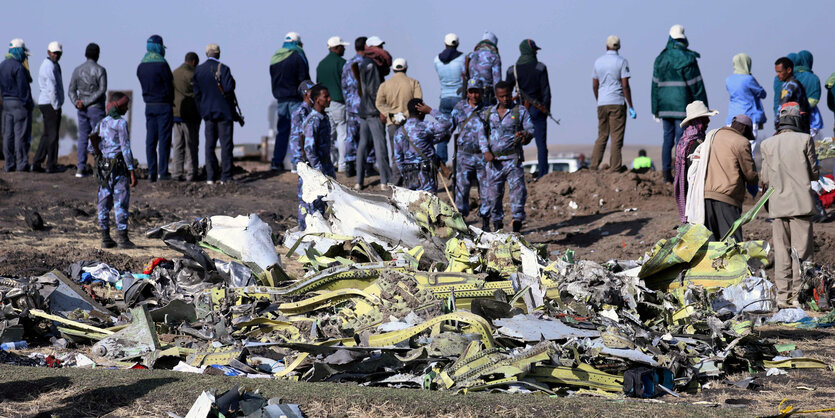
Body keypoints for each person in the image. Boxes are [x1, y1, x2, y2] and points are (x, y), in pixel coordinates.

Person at [760, 102, 819, 308]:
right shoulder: (805, 140)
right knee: (801, 253)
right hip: (800, 205)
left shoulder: (767, 144)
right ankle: (798, 296)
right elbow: (814, 173)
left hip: (778, 207)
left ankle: (782, 296)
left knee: (782, 252)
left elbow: (764, 178)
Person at [651, 25, 708, 183]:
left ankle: (666, 175)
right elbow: (697, 86)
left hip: (664, 107)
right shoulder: (688, 58)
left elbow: (654, 86)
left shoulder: (660, 59)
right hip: (682, 105)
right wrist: (703, 108)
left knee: (667, 140)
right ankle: (680, 173)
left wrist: (655, 109)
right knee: (681, 140)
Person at [480, 81, 534, 233]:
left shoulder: (519, 111)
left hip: (512, 161)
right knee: (493, 197)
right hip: (494, 163)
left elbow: (530, 128)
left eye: (508, 95)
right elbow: (481, 133)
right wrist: (485, 151)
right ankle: (497, 226)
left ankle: (517, 227)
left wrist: (525, 135)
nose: (505, 99)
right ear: (496, 96)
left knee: (517, 195)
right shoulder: (488, 113)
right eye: (502, 96)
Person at [90, 92, 137, 249]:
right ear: (118, 105)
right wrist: (131, 170)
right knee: (120, 202)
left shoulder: (102, 123)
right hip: (118, 168)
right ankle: (123, 239)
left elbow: (92, 146)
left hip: (103, 168)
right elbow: (125, 148)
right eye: (125, 105)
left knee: (103, 202)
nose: (127, 108)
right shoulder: (121, 124)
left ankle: (105, 237)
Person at [702, 114, 758, 241]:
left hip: (705, 195)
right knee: (732, 242)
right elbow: (750, 174)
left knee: (711, 243)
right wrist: (755, 182)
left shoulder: (713, 136)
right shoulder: (741, 142)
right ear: (744, 128)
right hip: (727, 197)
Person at [505, 39, 551, 179]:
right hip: (537, 110)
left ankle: (511, 172)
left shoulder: (512, 70)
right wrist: (546, 110)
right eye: (535, 50)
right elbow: (546, 92)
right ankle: (543, 175)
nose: (536, 52)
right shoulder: (540, 67)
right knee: (541, 144)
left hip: (518, 111)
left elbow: (506, 91)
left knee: (513, 141)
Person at [194, 43, 237, 184]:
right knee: (226, 145)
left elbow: (196, 94)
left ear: (206, 54)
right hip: (224, 112)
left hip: (208, 113)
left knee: (209, 145)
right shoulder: (224, 69)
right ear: (218, 54)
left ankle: (210, 177)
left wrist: (202, 110)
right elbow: (229, 88)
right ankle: (226, 176)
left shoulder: (198, 71)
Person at [591, 35, 635, 172]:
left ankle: (593, 165)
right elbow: (625, 85)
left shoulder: (598, 62)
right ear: (619, 46)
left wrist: (599, 99)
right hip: (617, 101)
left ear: (606, 46)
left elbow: (594, 84)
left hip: (602, 102)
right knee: (616, 136)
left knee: (602, 135)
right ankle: (615, 167)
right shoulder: (621, 62)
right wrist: (631, 105)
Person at [376, 57, 422, 185]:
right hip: (410, 123)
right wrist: (406, 114)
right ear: (406, 68)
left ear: (393, 69)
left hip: (392, 123)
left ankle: (396, 181)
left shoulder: (385, 85)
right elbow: (418, 102)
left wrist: (390, 114)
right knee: (411, 153)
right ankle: (411, 181)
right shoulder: (413, 83)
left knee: (396, 153)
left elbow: (379, 103)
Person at [451, 78, 490, 229]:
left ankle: (486, 221)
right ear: (467, 92)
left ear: (482, 92)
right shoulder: (459, 108)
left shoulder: (488, 109)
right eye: (471, 92)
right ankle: (461, 222)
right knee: (461, 189)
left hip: (482, 155)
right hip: (464, 156)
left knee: (486, 189)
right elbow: (448, 127)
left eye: (477, 92)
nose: (474, 95)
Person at [355, 36, 392, 190]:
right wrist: (381, 109)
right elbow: (374, 89)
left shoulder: (364, 63)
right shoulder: (373, 65)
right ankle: (385, 180)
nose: (382, 49)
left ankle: (359, 180)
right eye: (379, 46)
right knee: (380, 145)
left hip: (364, 109)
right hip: (373, 110)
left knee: (363, 145)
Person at [136, 34, 174, 182]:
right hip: (164, 106)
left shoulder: (141, 66)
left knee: (150, 140)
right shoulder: (162, 65)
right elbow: (169, 86)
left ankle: (152, 172)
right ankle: (162, 172)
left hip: (149, 106)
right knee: (164, 140)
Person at [393, 98, 452, 192]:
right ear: (421, 111)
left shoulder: (399, 132)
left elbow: (398, 158)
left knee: (414, 204)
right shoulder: (424, 126)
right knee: (429, 204)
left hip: (410, 178)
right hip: (426, 177)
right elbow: (447, 123)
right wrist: (430, 111)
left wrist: (406, 174)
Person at [270, 32, 309, 171]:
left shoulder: (276, 58)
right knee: (297, 131)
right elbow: (304, 79)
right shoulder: (298, 56)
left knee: (282, 131)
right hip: (295, 99)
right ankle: (296, 162)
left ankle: (277, 162)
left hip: (281, 100)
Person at [299, 84, 337, 229]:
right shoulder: (314, 120)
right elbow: (309, 148)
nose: (329, 99)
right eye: (325, 96)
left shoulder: (324, 117)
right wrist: (318, 170)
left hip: (326, 165)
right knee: (315, 206)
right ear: (316, 99)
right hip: (316, 169)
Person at [674, 100, 717, 223]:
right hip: (696, 191)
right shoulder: (697, 144)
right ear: (700, 121)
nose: (708, 121)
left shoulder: (684, 141)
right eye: (706, 118)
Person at [68, 42, 107, 178]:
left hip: (82, 109)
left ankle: (81, 168)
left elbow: (71, 90)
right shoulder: (100, 70)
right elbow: (102, 90)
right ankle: (101, 167)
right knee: (99, 138)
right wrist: (86, 102)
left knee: (83, 137)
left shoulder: (77, 70)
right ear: (98, 55)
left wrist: (77, 103)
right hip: (96, 109)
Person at [0, 38, 34, 172]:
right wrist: (28, 103)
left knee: (8, 134)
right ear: (19, 50)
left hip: (6, 103)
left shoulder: (2, 65)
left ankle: (9, 164)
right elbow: (23, 88)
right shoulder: (19, 67)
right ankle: (22, 164)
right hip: (19, 104)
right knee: (20, 135)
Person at [316, 36, 349, 172]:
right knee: (342, 134)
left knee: (327, 135)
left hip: (324, 104)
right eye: (342, 46)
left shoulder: (321, 64)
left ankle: (329, 162)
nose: (344, 48)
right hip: (339, 102)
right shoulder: (342, 63)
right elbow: (348, 84)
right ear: (336, 47)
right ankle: (342, 165)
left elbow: (318, 85)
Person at [433, 33, 466, 164]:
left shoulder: (436, 60)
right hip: (459, 98)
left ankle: (441, 163)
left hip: (445, 97)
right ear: (457, 44)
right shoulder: (463, 58)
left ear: (445, 44)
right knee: (464, 132)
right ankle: (463, 162)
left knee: (443, 131)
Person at [32, 41, 64, 173]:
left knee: (47, 135)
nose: (56, 55)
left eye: (58, 53)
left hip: (47, 102)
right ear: (48, 52)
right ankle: (51, 165)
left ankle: (37, 162)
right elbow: (51, 88)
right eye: (54, 53)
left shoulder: (52, 65)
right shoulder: (49, 67)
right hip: (50, 103)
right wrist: (56, 105)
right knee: (52, 136)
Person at [341, 36, 369, 178]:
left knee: (351, 136)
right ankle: (368, 165)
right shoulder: (368, 63)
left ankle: (350, 165)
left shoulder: (347, 65)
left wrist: (349, 101)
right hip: (366, 106)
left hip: (352, 106)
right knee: (367, 136)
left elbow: (344, 86)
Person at [171, 52, 200, 181]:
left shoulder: (174, 73)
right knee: (191, 144)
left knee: (177, 144)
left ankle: (176, 172)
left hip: (176, 113)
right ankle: (191, 172)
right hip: (191, 115)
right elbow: (198, 94)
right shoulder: (193, 74)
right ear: (193, 62)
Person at [725, 53, 766, 140]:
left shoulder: (728, 80)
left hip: (732, 118)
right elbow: (762, 94)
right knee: (749, 148)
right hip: (749, 116)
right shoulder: (748, 79)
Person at [775, 57, 810, 133]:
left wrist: (777, 122)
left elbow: (783, 105)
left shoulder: (791, 85)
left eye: (780, 72)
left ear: (789, 70)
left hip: (794, 125)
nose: (777, 74)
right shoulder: (791, 84)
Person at [466, 31, 501, 106]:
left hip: (471, 95)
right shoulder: (494, 57)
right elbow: (497, 82)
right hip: (487, 95)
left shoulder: (470, 55)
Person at [794, 50, 823, 137]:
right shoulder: (814, 78)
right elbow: (815, 98)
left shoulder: (791, 77)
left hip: (794, 116)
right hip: (812, 117)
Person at [289, 80, 314, 179]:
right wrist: (302, 157)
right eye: (313, 91)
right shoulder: (300, 112)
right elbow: (300, 135)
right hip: (302, 154)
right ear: (306, 94)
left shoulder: (311, 110)